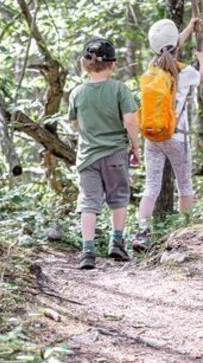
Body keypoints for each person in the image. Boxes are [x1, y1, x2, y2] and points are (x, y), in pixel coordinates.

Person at [133, 18, 203, 252]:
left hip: (152, 137)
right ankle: (186, 233)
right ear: (176, 46)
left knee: (151, 186)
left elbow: (170, 47)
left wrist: (188, 28)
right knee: (185, 185)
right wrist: (202, 60)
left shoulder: (151, 70)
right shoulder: (185, 72)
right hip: (177, 137)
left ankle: (141, 232)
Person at [68, 38, 141, 270]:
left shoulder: (77, 92)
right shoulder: (119, 89)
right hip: (115, 153)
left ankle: (87, 250)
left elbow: (74, 125)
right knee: (119, 197)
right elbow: (130, 121)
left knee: (89, 202)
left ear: (84, 65)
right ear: (113, 64)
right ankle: (116, 243)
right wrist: (135, 148)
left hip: (87, 156)